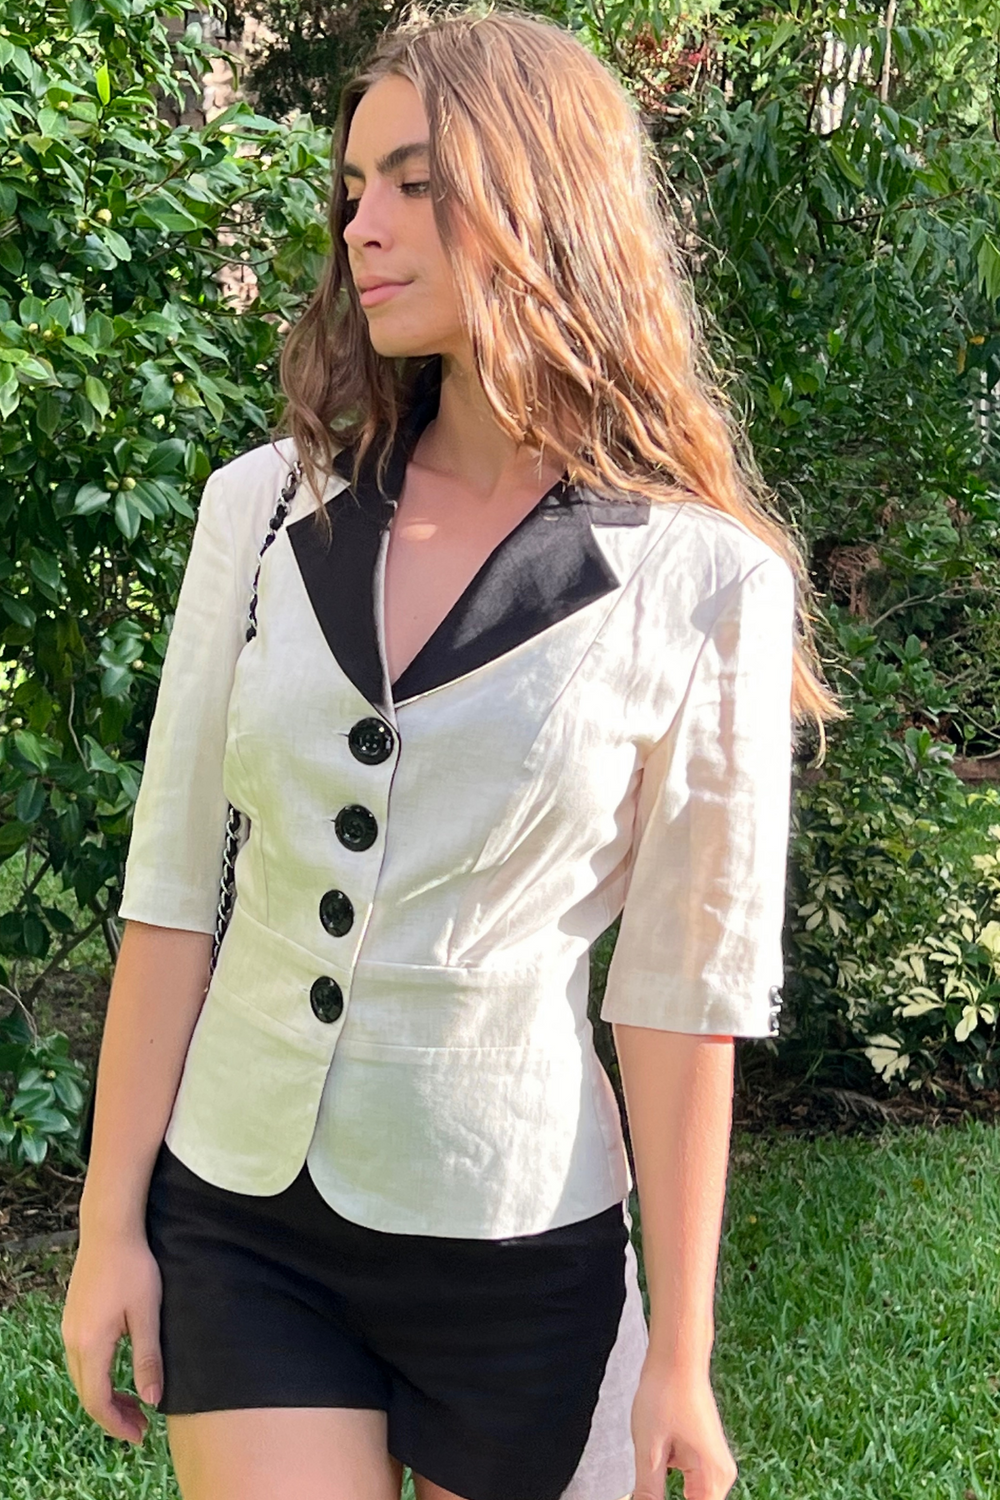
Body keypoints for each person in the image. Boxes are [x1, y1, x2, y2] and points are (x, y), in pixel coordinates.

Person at [61, 7, 841, 1500]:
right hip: (244, 1217)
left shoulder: (704, 580)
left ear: (543, 202)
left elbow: (682, 992)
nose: (363, 224)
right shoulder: (260, 510)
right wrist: (111, 1226)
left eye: (416, 183)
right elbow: (173, 887)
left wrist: (681, 1352)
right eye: (355, 186)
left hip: (513, 1233)